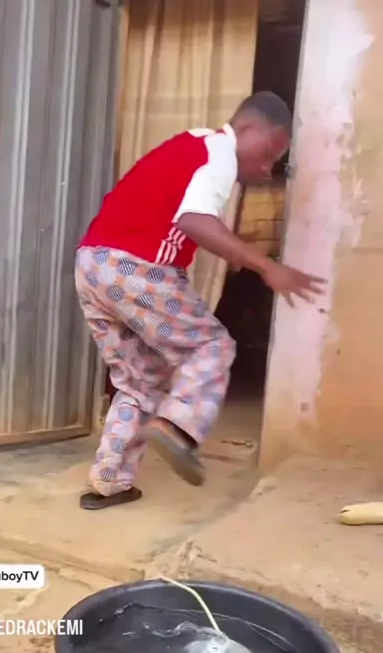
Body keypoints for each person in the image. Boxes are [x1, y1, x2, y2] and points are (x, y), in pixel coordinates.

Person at [75, 91, 324, 511]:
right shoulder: (219, 152)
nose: (266, 169)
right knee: (212, 346)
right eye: (268, 154)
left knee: (138, 381)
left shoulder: (190, 145)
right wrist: (265, 265)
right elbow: (193, 220)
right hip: (137, 267)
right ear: (246, 128)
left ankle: (110, 480)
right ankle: (177, 427)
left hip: (93, 264)